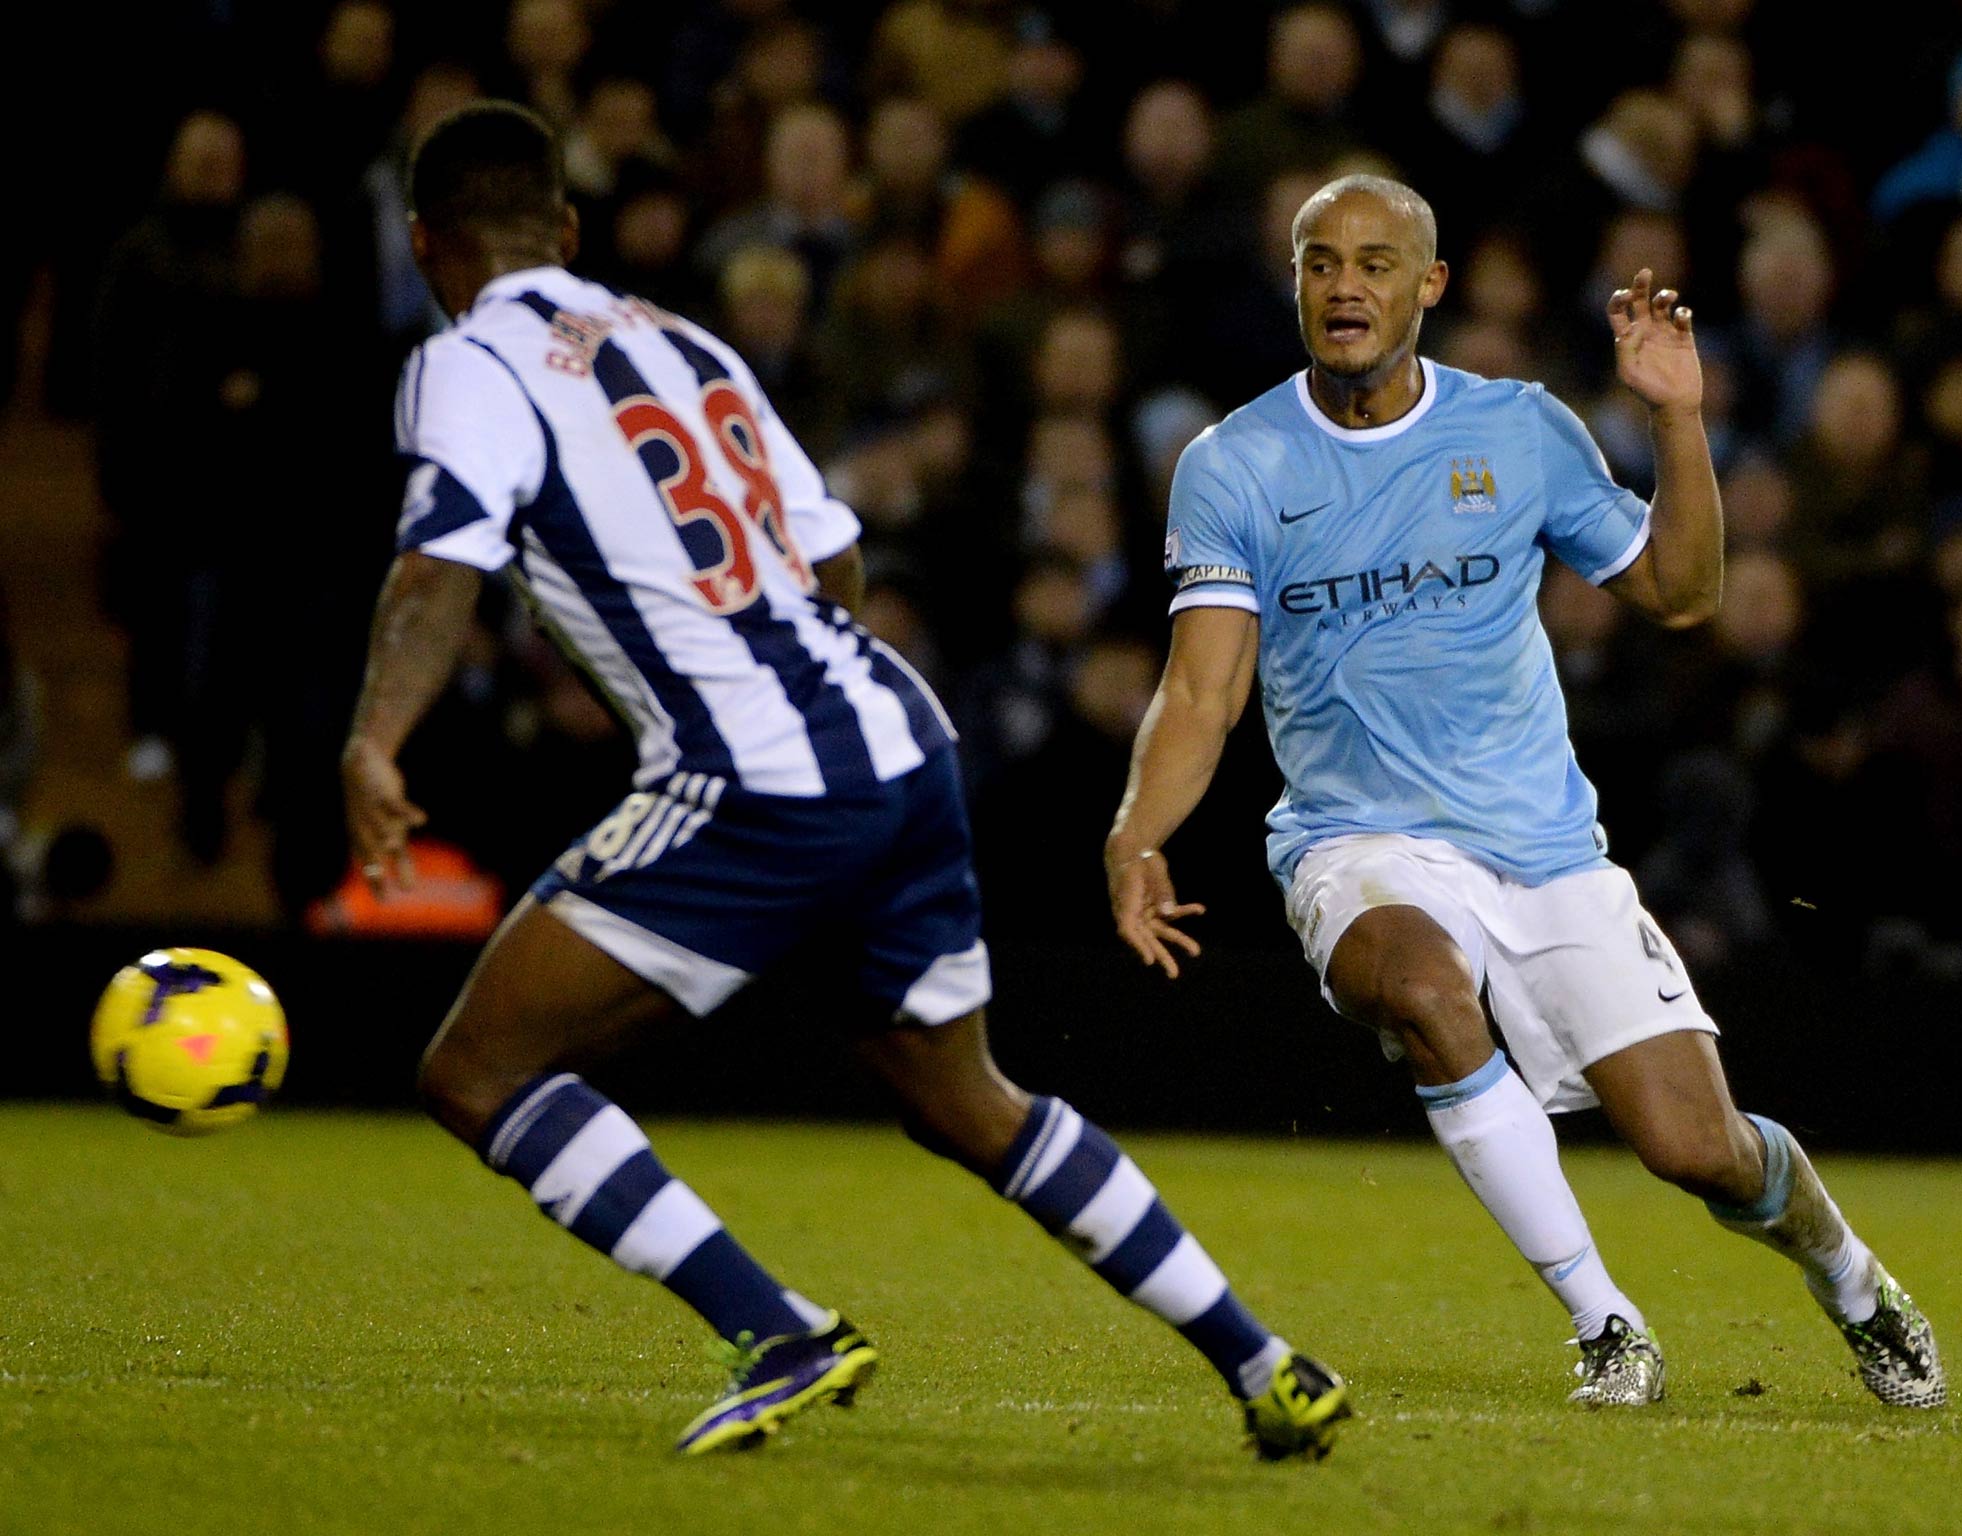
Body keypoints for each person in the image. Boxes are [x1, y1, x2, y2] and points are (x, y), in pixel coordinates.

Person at [341, 101, 1350, 1461]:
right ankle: (1264, 1362)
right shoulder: (685, 339)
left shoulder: (462, 360)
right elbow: (835, 561)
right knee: (962, 1100)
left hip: (754, 775)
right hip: (898, 738)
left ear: (424, 245)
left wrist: (375, 739)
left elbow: (436, 561)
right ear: (570, 233)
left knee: (477, 1070)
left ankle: (778, 1331)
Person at [1104, 172, 1946, 1411]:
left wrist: (1675, 422)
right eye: (1320, 262)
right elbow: (1200, 693)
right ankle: (1605, 1324)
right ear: (1292, 284)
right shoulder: (1231, 463)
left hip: (1545, 850)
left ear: (1429, 286)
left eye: (1375, 263)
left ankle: (1849, 1274)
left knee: (1695, 1150)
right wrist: (1136, 834)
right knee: (1423, 990)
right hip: (1356, 843)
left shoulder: (1516, 429)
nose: (1345, 286)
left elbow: (1681, 592)